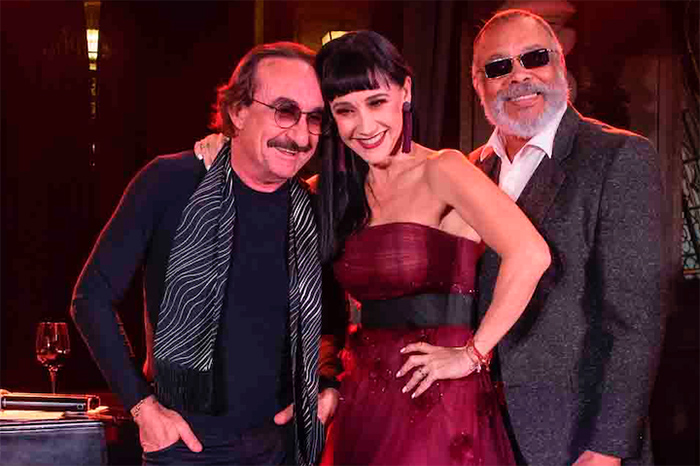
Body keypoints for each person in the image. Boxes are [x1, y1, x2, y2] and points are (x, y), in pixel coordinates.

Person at [199, 30, 550, 465]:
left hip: (436, 395)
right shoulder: (331, 191)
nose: (364, 126)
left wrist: (473, 353)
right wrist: (226, 151)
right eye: (345, 110)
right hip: (361, 393)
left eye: (376, 102)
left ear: (405, 91)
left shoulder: (443, 169)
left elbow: (530, 254)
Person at [71, 42, 340, 466]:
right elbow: (91, 298)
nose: (301, 135)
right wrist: (143, 408)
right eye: (285, 111)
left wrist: (326, 387)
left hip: (286, 447)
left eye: (314, 118)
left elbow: (333, 320)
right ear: (238, 111)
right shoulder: (170, 181)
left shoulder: (312, 210)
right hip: (186, 446)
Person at [469, 9, 664, 466]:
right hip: (480, 434)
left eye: (534, 58)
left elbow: (635, 322)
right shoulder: (471, 170)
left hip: (578, 441)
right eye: (499, 67)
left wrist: (608, 447)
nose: (519, 76)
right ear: (478, 84)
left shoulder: (618, 157)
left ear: (560, 64)